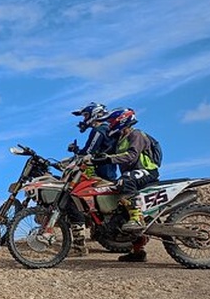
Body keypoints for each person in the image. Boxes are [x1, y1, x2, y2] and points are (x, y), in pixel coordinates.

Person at [91, 107, 160, 262]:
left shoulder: (136, 134)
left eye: (111, 121)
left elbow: (131, 155)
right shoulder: (120, 138)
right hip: (132, 175)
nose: (109, 124)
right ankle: (137, 251)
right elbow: (108, 153)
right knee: (121, 208)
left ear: (121, 120)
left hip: (147, 171)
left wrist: (109, 159)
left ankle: (137, 218)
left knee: (125, 180)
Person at [66, 102, 117, 256]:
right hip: (107, 172)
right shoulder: (105, 129)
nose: (84, 119)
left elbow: (89, 151)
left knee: (73, 198)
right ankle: (95, 231)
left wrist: (77, 156)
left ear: (95, 114)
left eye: (86, 115)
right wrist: (77, 150)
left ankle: (80, 246)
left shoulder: (99, 130)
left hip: (103, 174)